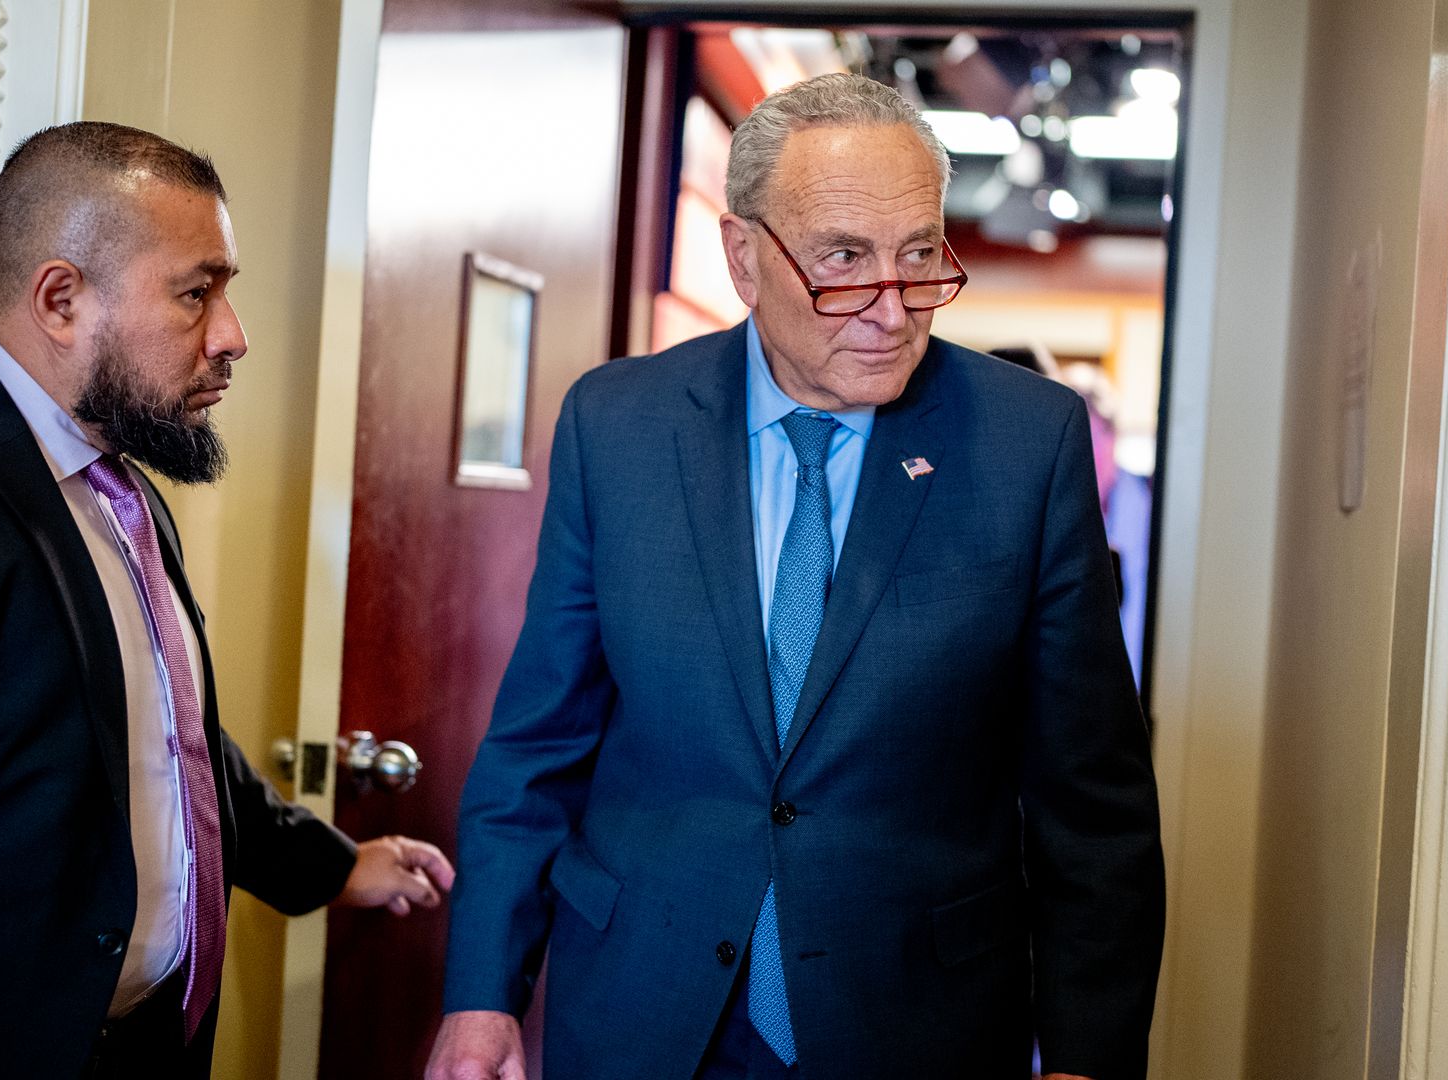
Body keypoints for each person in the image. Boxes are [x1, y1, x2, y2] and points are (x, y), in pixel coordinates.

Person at [429, 74, 1162, 1080]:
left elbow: (1092, 802)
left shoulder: (1027, 446)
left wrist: (1087, 1055)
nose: (891, 310)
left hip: (915, 1019)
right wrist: (481, 998)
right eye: (845, 263)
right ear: (744, 256)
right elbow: (537, 748)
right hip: (645, 1007)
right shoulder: (620, 425)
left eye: (918, 257)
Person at [0, 121, 454, 1079]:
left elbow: (163, 735)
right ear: (62, 299)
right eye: (198, 292)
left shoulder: (120, 485)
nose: (233, 337)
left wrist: (332, 865)